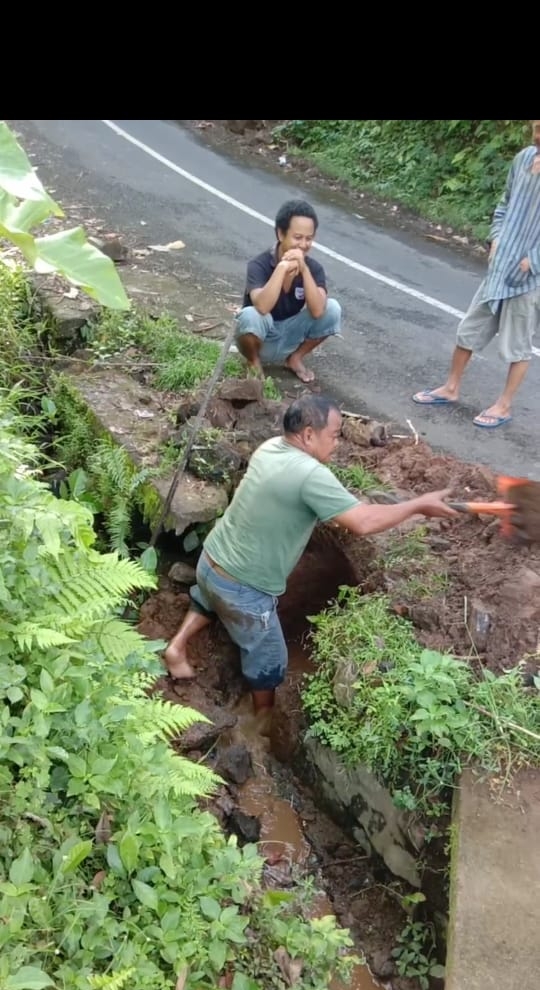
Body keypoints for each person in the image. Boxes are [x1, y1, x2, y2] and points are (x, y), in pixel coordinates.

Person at [164, 396, 457, 716]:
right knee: (270, 660)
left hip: (211, 562)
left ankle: (177, 648)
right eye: (334, 434)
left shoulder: (271, 447)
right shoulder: (308, 474)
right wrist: (416, 505)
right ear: (307, 434)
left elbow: (295, 501)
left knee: (207, 598)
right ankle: (262, 719)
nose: (338, 443)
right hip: (243, 588)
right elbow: (362, 522)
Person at [413, 119, 540, 430]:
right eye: (536, 129)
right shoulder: (524, 158)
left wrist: (532, 261)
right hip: (499, 267)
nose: (536, 136)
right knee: (469, 329)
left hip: (529, 281)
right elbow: (504, 205)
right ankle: (451, 387)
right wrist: (495, 238)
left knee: (517, 345)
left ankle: (504, 405)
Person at [234, 199, 342, 384]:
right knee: (249, 315)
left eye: (309, 238)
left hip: (290, 335)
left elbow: (318, 311)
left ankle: (295, 358)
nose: (303, 244)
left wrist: (304, 270)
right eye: (297, 237)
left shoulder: (314, 268)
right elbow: (262, 306)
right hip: (260, 338)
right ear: (280, 234)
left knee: (332, 308)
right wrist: (282, 268)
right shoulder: (258, 265)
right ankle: (253, 362)